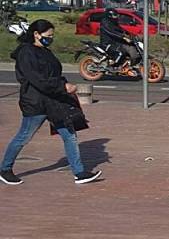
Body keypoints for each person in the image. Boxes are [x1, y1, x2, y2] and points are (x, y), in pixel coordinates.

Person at [1, 20, 102, 185]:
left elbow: (54, 73)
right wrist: (62, 86)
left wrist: (64, 85)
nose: (51, 38)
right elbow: (38, 79)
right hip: (36, 102)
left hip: (54, 101)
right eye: (48, 35)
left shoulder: (45, 51)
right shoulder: (26, 53)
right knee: (24, 136)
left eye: (52, 35)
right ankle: (5, 169)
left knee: (69, 135)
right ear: (36, 34)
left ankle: (79, 172)